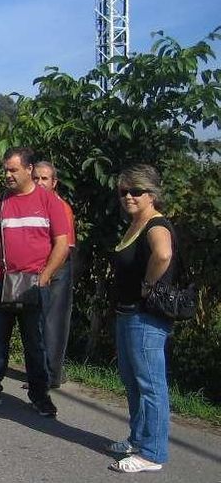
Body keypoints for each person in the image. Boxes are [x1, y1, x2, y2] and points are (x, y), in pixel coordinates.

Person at [0, 147, 68, 417]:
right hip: (0, 283)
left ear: (29, 169)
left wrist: (44, 277)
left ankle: (39, 395)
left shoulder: (49, 202)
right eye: (6, 170)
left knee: (36, 343)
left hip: (34, 285)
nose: (7, 175)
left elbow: (62, 244)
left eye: (13, 170)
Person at [107, 164, 175, 473]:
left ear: (152, 194)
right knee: (132, 381)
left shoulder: (155, 224)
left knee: (150, 385)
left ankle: (152, 452)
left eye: (136, 191)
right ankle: (137, 438)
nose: (129, 197)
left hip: (145, 317)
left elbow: (162, 255)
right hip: (128, 313)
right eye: (124, 191)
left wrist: (149, 285)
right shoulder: (136, 222)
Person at [32, 161, 76, 388]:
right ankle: (41, 372)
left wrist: (48, 272)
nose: (39, 182)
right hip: (36, 270)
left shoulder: (61, 207)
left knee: (53, 323)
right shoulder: (34, 204)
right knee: (37, 323)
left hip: (56, 270)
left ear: (54, 182)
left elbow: (65, 246)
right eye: (36, 178)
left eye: (44, 178)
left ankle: (51, 375)